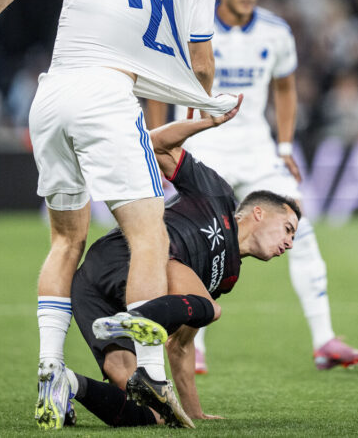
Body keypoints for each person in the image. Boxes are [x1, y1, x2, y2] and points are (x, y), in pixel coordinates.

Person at [0, 0, 240, 429]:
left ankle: (49, 371)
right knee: (148, 236)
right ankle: (155, 375)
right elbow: (204, 67)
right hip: (110, 98)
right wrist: (205, 100)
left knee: (66, 241)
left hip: (52, 94)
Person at [147, 0, 358, 371]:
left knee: (299, 225)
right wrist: (157, 147)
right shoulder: (190, 25)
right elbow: (158, 88)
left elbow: (285, 89)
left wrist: (284, 147)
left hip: (256, 148)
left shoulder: (276, 32)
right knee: (202, 239)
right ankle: (195, 346)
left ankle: (324, 340)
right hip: (202, 145)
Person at [67, 96, 300, 427]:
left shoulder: (228, 276)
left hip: (91, 287)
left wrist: (193, 411)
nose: (289, 243)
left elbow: (182, 345)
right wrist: (202, 124)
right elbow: (155, 146)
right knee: (210, 307)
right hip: (127, 254)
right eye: (288, 229)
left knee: (151, 414)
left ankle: (68, 384)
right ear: (259, 213)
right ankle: (138, 317)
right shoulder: (217, 194)